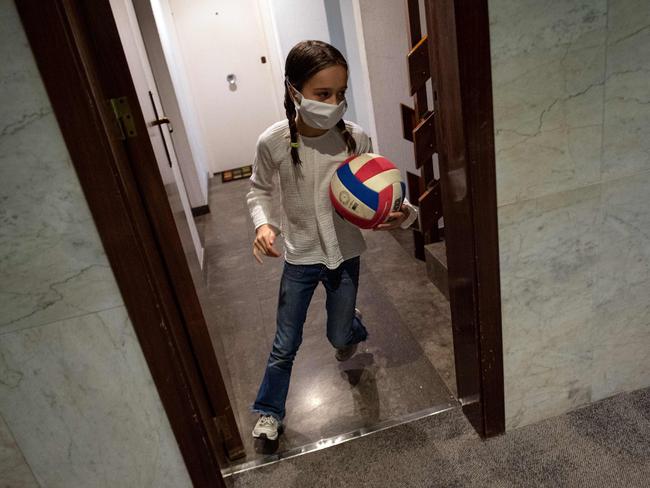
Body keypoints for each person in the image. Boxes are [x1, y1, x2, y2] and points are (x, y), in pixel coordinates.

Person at [246, 40, 418, 441]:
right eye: (322, 94)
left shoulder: (355, 139)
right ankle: (270, 411)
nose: (334, 102)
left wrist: (404, 215)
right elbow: (258, 189)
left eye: (340, 94)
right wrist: (263, 224)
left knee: (340, 338)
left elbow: (383, 192)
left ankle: (351, 328)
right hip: (301, 258)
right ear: (294, 91)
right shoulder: (273, 141)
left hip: (346, 255)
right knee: (285, 343)